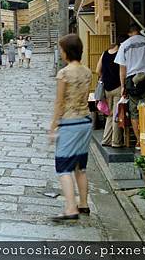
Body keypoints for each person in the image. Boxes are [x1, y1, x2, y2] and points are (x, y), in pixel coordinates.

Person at [49, 34, 92, 221]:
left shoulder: (64, 73)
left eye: (61, 49)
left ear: (66, 51)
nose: (60, 52)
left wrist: (53, 126)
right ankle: (83, 203)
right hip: (85, 121)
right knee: (80, 167)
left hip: (70, 122)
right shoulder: (87, 71)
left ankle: (70, 208)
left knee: (63, 167)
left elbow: (59, 103)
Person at [115, 23, 145, 151]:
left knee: (134, 111)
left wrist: (123, 86)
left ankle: (139, 141)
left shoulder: (125, 45)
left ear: (130, 33)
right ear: (138, 31)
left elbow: (122, 69)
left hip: (132, 80)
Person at [96, 37, 126, 147]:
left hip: (106, 88)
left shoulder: (104, 54)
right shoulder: (120, 54)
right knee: (116, 115)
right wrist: (123, 86)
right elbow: (122, 72)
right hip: (117, 87)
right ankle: (116, 141)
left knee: (109, 114)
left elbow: (97, 70)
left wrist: (105, 76)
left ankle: (106, 139)